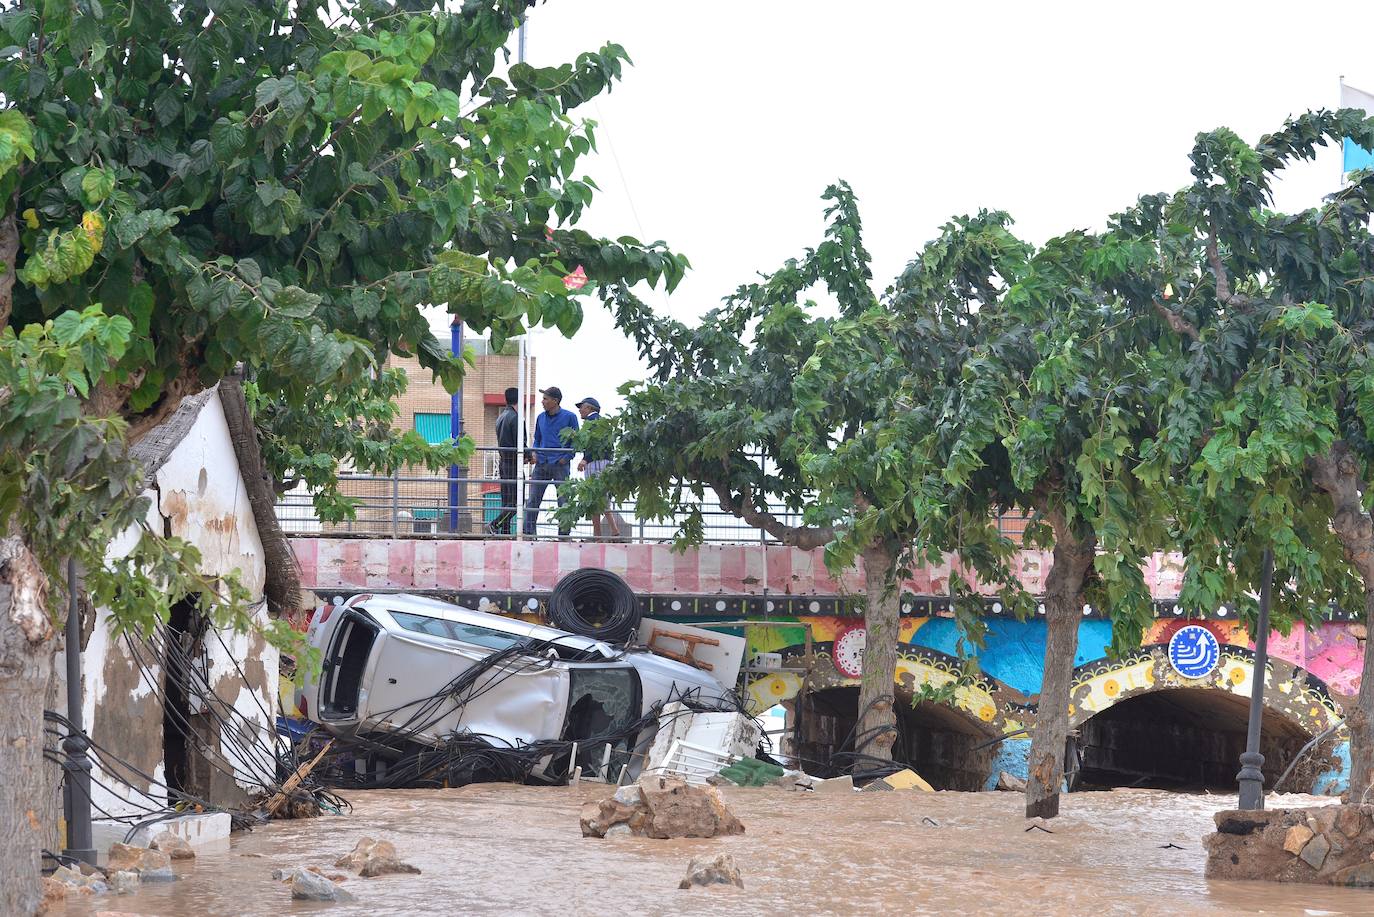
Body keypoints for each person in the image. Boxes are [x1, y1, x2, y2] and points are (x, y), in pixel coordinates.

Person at [523, 386, 579, 537]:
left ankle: (563, 534)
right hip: (541, 464)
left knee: (563, 501)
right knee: (533, 499)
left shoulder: (570, 417)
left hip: (560, 465)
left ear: (555, 401)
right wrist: (534, 452)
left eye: (545, 399)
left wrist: (565, 458)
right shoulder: (541, 417)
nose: (542, 402)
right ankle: (528, 533)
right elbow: (537, 438)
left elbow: (576, 442)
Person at [575, 396, 623, 540]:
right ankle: (609, 531)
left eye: (582, 407)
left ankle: (601, 533)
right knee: (601, 496)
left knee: (594, 495)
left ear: (589, 408)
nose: (580, 410)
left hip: (596, 462)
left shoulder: (591, 422)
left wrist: (585, 459)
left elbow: (594, 444)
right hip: (606, 462)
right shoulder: (603, 422)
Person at [486, 386, 521, 535]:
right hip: (513, 464)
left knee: (506, 501)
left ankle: (505, 532)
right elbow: (519, 443)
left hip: (503, 463)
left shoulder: (501, 417)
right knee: (516, 503)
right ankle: (495, 525)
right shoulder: (515, 417)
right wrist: (529, 455)